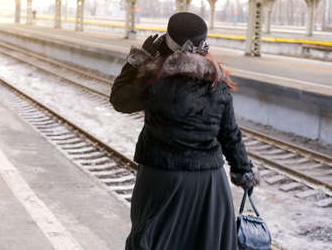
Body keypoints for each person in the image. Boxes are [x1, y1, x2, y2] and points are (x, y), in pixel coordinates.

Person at [110, 12, 260, 250]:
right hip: (209, 183)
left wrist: (136, 61)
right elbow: (230, 134)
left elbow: (119, 100)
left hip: (162, 178)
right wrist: (243, 171)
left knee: (152, 240)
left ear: (166, 41)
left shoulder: (154, 80)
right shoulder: (217, 81)